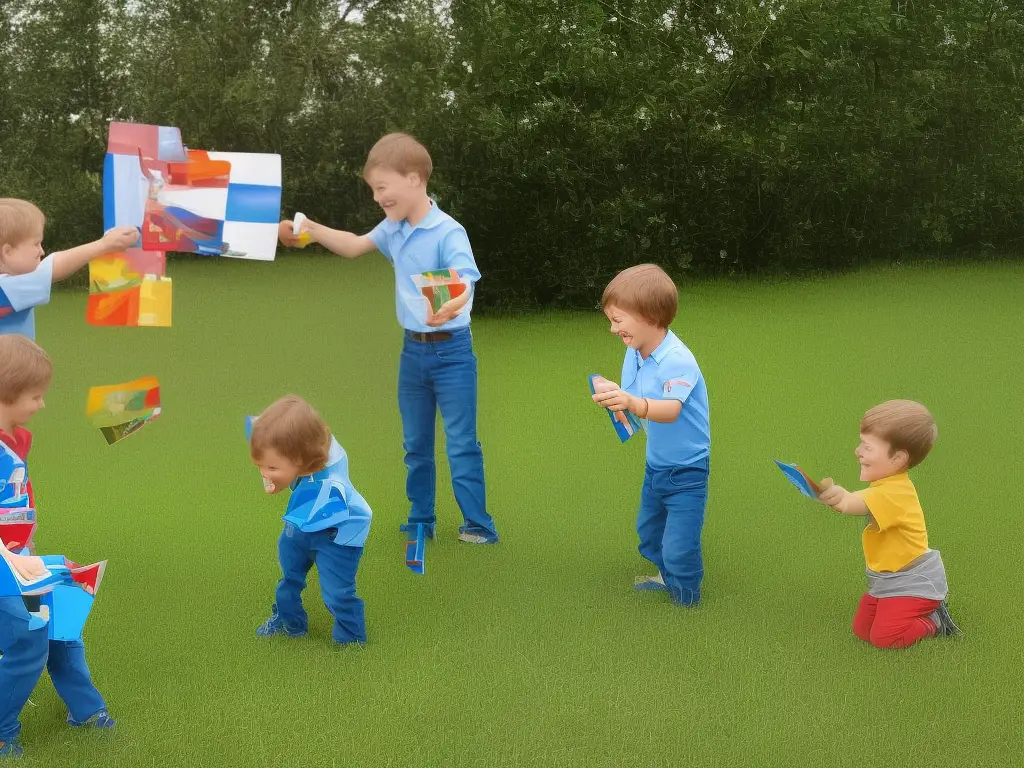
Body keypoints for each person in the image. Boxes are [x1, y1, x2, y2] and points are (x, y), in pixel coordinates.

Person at [278, 133, 498, 544]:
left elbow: (464, 281)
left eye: (382, 187)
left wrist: (451, 305)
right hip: (412, 353)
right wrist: (310, 229)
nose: (377, 198)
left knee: (461, 442)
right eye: (373, 190)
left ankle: (478, 525)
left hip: (452, 352)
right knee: (415, 443)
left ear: (414, 179)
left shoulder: (448, 231)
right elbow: (355, 246)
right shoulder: (393, 228)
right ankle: (422, 518)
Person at [0, 335, 114, 760]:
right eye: (36, 396)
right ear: (7, 393)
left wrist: (44, 562)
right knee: (29, 639)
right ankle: (2, 728)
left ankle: (85, 710)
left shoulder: (13, 441)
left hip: (20, 562)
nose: (42, 404)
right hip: (5, 569)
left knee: (62, 625)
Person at [591, 264, 711, 607]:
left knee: (680, 545)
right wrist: (616, 396)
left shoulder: (677, 360)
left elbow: (669, 410)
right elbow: (634, 396)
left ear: (649, 316)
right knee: (649, 535)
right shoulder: (635, 352)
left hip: (688, 470)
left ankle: (687, 596)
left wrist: (630, 401)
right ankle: (666, 574)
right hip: (657, 465)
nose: (613, 329)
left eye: (618, 320)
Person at [817, 399, 962, 648]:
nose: (858, 451)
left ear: (897, 459)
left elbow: (853, 503)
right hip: (888, 578)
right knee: (862, 630)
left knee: (885, 638)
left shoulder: (894, 493)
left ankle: (935, 620)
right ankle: (905, 610)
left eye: (868, 447)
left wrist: (839, 497)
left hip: (914, 581)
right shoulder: (886, 486)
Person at [249, 395, 372, 645]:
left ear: (302, 461)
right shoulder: (304, 448)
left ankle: (350, 637)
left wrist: (281, 481)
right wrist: (276, 474)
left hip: (337, 535)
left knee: (337, 593)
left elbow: (320, 507)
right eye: (262, 465)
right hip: (301, 526)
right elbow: (279, 432)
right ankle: (289, 620)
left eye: (271, 467)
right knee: (289, 577)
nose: (264, 473)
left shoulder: (330, 485)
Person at [0, 197, 138, 340]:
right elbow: (53, 268)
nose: (41, 251)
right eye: (36, 244)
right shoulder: (7, 289)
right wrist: (104, 245)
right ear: (8, 251)